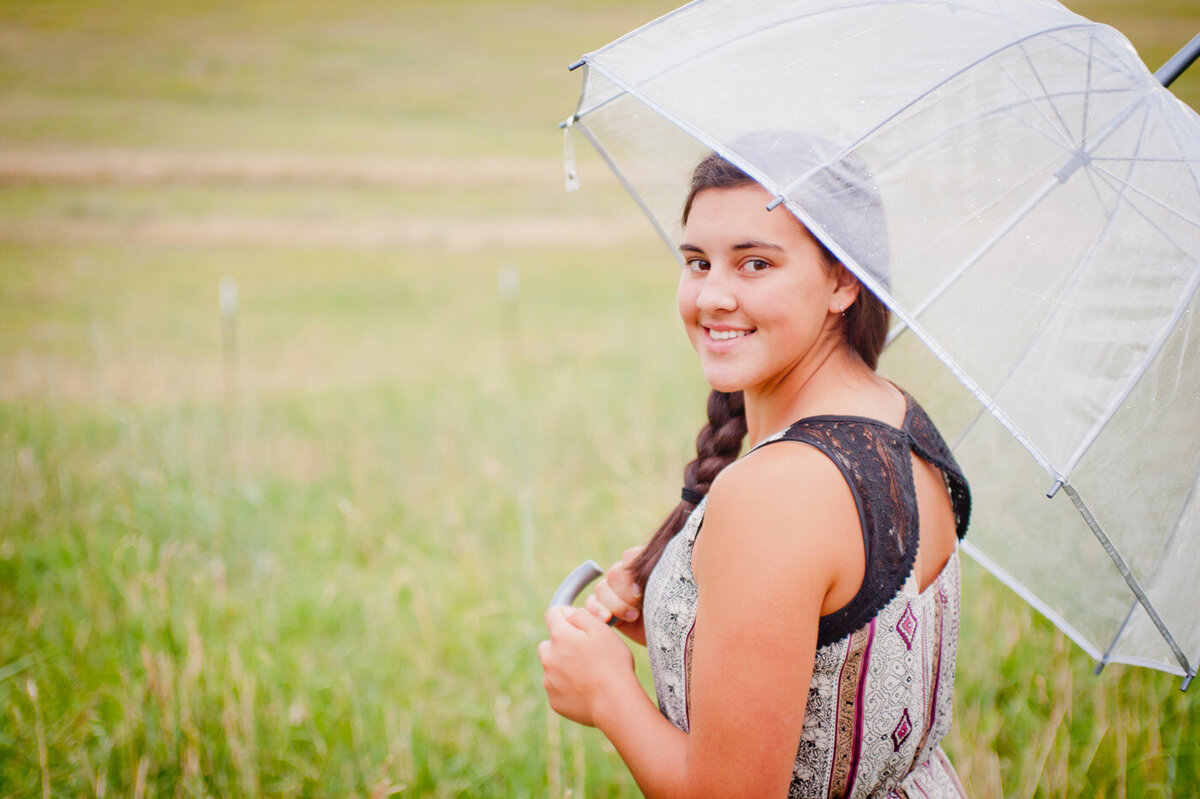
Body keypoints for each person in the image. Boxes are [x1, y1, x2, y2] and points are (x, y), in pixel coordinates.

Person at [538, 135, 971, 798]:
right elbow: (832, 661)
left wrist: (606, 693)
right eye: (697, 261)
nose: (712, 295)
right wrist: (675, 615)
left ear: (843, 279)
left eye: (754, 264)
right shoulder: (897, 420)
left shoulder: (773, 490)